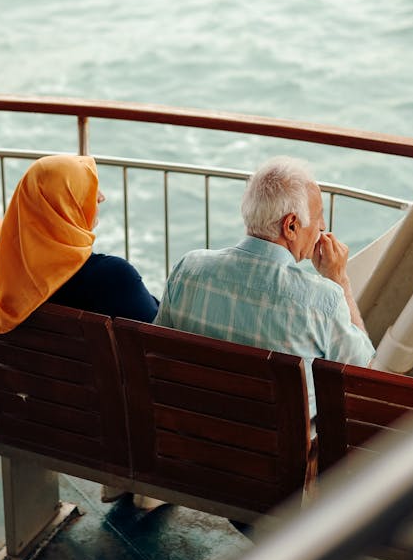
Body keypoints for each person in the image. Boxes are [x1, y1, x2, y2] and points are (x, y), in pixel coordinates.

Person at [155, 156, 374, 416]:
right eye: (318, 216)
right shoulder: (322, 301)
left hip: (187, 440)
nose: (323, 227)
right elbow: (366, 376)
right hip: (282, 454)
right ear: (291, 225)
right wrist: (339, 280)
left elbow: (157, 355)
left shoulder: (187, 269)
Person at [0, 154, 158, 335]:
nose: (101, 197)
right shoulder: (114, 277)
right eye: (87, 190)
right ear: (65, 205)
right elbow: (158, 336)